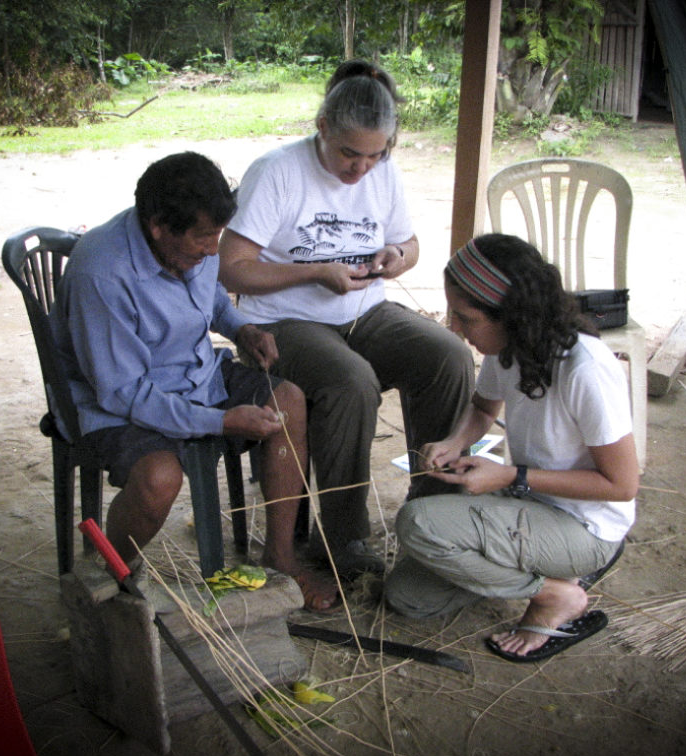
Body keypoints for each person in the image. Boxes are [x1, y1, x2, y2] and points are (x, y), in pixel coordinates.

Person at [218, 60, 474, 578]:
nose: (362, 169)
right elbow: (231, 269)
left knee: (447, 355)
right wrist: (314, 272)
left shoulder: (384, 174)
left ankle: (433, 515)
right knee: (350, 380)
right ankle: (345, 539)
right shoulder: (278, 172)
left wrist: (398, 256)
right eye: (349, 154)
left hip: (366, 312)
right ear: (323, 128)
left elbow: (411, 242)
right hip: (285, 322)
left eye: (376, 156)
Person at [50, 152, 338, 612]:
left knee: (288, 399)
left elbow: (212, 301)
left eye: (217, 238)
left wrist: (242, 328)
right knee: (159, 479)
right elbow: (121, 391)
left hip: (194, 374)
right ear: (159, 225)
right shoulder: (101, 272)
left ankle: (281, 557)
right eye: (203, 240)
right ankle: (110, 580)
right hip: (117, 400)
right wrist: (219, 422)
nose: (212, 252)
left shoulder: (193, 245)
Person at [384, 234, 639, 662]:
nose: (455, 330)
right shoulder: (509, 348)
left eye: (466, 319)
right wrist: (454, 441)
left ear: (512, 316)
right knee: (408, 597)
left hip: (584, 525)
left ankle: (555, 592)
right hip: (529, 501)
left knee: (418, 523)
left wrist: (509, 476)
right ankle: (544, 570)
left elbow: (622, 485)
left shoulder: (585, 369)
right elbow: (483, 408)